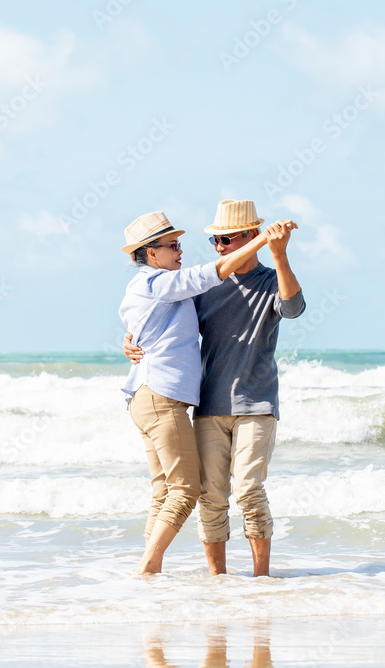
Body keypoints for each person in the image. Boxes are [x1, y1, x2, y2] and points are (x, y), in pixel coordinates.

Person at [124, 200, 304, 577]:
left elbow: (293, 308)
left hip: (256, 402)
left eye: (227, 239)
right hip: (206, 404)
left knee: (249, 490)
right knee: (207, 495)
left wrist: (280, 255)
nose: (219, 246)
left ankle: (260, 580)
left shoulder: (269, 280)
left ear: (251, 236)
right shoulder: (202, 284)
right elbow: (161, 311)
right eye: (216, 241)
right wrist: (131, 340)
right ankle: (216, 580)